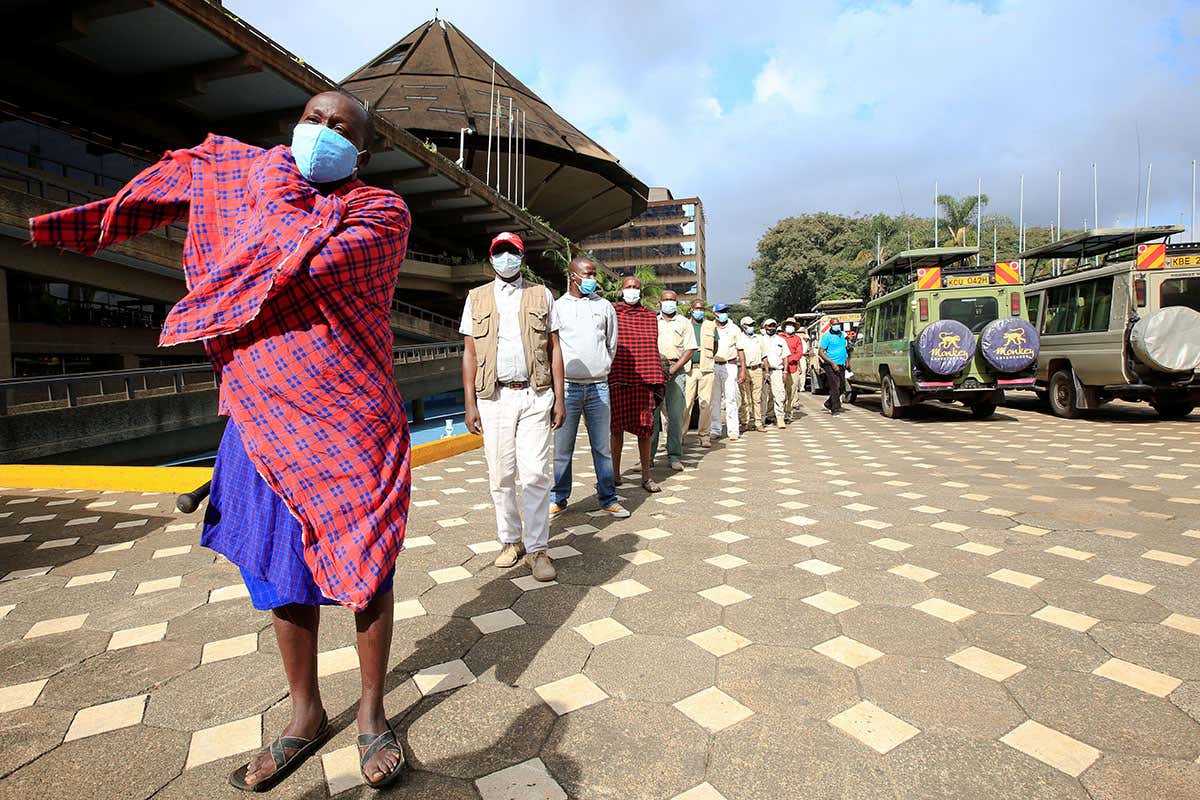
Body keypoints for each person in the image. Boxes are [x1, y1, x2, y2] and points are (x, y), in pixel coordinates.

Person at [32, 92, 413, 791]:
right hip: (261, 417)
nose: (320, 133)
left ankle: (370, 712)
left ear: (362, 155)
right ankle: (305, 713)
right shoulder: (253, 186)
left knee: (368, 559)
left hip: (349, 416)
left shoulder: (380, 212)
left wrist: (260, 185)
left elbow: (295, 267)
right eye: (312, 119)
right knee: (278, 566)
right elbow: (191, 190)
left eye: (340, 129)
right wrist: (253, 183)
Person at [462, 232, 566, 582]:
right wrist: (470, 403)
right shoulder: (476, 298)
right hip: (493, 398)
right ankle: (511, 541)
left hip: (536, 395)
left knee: (536, 474)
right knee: (500, 474)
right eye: (500, 252)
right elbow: (470, 353)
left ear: (522, 258)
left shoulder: (540, 294)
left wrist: (560, 399)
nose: (506, 257)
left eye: (513, 252)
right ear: (491, 259)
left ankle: (538, 549)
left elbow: (554, 348)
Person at [550, 257, 629, 519]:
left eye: (594, 274)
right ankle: (559, 498)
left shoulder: (604, 306)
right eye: (588, 274)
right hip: (568, 389)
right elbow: (553, 347)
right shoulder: (558, 307)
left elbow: (611, 343)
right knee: (563, 448)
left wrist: (602, 365)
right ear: (573, 276)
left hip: (598, 387)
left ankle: (608, 497)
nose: (593, 279)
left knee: (601, 447)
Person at [610, 276, 666, 492]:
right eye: (628, 287)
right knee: (616, 430)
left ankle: (646, 476)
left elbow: (649, 346)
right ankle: (615, 475)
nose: (632, 290)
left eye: (636, 287)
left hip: (644, 379)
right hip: (618, 377)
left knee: (645, 429)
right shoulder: (613, 312)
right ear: (622, 290)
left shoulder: (650, 316)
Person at [651, 289, 698, 470]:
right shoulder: (653, 322)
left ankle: (674, 455)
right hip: (654, 370)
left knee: (676, 415)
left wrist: (673, 369)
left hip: (676, 372)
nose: (669, 302)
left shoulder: (684, 323)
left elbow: (690, 349)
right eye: (666, 300)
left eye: (673, 300)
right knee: (652, 415)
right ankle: (648, 457)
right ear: (659, 303)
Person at [708, 302, 747, 441]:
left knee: (731, 398)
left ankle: (733, 430)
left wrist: (743, 369)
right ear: (715, 314)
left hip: (730, 365)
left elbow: (740, 349)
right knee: (715, 399)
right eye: (721, 311)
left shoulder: (734, 328)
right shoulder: (710, 327)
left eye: (725, 311)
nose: (724, 313)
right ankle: (715, 429)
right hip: (714, 365)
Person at [683, 299, 717, 448]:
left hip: (706, 369)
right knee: (686, 403)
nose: (699, 311)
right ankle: (680, 434)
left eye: (702, 309)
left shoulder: (710, 326)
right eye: (697, 308)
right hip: (689, 369)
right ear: (691, 309)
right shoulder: (684, 324)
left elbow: (715, 346)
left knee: (706, 403)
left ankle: (704, 435)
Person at [737, 315, 768, 432]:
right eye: (748, 325)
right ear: (743, 326)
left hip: (757, 369)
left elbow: (764, 356)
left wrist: (766, 372)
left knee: (757, 398)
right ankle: (744, 422)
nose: (751, 327)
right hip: (743, 370)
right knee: (744, 398)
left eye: (752, 325)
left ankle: (758, 422)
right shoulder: (739, 338)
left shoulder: (759, 338)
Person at [761, 318, 790, 428]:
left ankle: (780, 418)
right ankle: (762, 419)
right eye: (769, 326)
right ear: (765, 327)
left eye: (773, 326)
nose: (771, 328)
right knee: (763, 396)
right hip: (763, 371)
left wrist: (785, 371)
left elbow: (785, 357)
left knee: (779, 395)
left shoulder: (781, 340)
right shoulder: (760, 340)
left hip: (777, 370)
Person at [819, 318, 849, 415]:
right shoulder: (827, 336)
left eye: (838, 324)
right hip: (830, 364)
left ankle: (828, 403)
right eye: (834, 324)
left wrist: (847, 360)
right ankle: (835, 408)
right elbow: (821, 352)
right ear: (831, 325)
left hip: (841, 364)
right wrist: (832, 363)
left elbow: (844, 349)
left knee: (842, 387)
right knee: (834, 386)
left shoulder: (842, 335)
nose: (837, 326)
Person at [780, 319, 805, 423]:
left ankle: (788, 414)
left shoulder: (797, 339)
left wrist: (788, 359)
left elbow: (799, 353)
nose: (790, 327)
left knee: (791, 392)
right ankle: (776, 414)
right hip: (780, 369)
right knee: (780, 393)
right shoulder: (779, 338)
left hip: (793, 368)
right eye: (788, 325)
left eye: (792, 325)